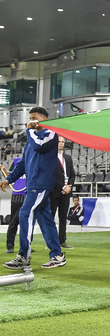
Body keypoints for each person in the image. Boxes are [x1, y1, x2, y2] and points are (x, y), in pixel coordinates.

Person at [1, 106, 66, 269]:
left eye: (34, 117)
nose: (31, 121)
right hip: (33, 184)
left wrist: (29, 131)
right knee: (46, 220)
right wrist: (8, 179)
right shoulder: (32, 138)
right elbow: (23, 163)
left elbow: (38, 146)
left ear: (44, 119)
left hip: (40, 183)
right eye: (30, 118)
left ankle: (23, 256)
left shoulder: (50, 133)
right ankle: (57, 255)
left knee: (24, 213)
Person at [50, 136, 76, 249]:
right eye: (59, 142)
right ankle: (50, 242)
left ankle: (62, 241)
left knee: (63, 217)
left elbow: (72, 175)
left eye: (62, 142)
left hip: (66, 192)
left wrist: (69, 186)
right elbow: (50, 176)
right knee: (51, 217)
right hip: (54, 191)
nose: (61, 144)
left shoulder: (68, 158)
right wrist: (62, 186)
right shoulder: (50, 157)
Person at [1, 159, 27, 254]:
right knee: (14, 221)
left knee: (28, 223)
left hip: (30, 194)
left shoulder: (36, 159)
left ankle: (26, 245)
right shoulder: (17, 161)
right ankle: (10, 245)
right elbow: (10, 176)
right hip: (17, 194)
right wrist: (4, 170)